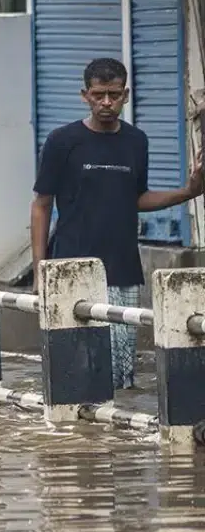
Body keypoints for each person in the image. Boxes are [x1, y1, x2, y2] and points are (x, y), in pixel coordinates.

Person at [31, 57, 204, 390]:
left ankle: (112, 437)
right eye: (98, 95)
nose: (106, 103)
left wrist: (189, 191)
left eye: (113, 94)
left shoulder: (136, 141)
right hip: (72, 268)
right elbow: (41, 205)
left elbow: (137, 198)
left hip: (123, 269)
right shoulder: (62, 142)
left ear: (125, 95)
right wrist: (41, 269)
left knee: (120, 374)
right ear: (85, 95)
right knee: (75, 370)